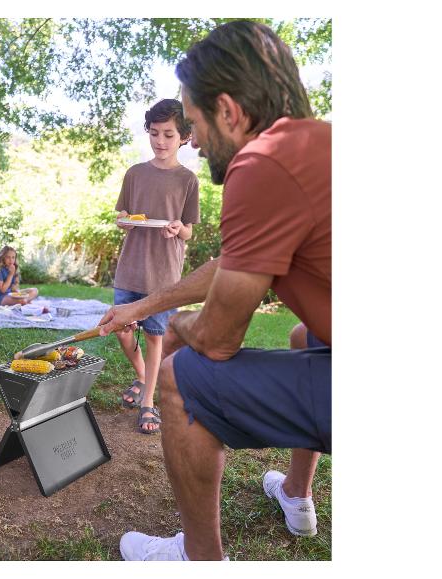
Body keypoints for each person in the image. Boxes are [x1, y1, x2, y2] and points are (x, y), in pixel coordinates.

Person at [98, 20, 331, 560]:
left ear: (228, 111)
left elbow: (220, 339)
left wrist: (180, 328)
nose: (195, 140)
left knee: (182, 378)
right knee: (304, 334)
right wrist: (147, 305)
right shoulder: (314, 146)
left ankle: (199, 558)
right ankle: (296, 496)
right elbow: (235, 263)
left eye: (196, 122)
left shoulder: (262, 163)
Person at [112, 98, 200, 434]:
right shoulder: (134, 174)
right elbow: (123, 214)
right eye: (154, 133)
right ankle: (143, 376)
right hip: (130, 268)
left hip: (164, 275)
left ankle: (148, 401)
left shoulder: (188, 181)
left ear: (183, 137)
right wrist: (124, 221)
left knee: (153, 336)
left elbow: (188, 230)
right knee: (121, 329)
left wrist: (179, 229)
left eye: (167, 134)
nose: (160, 141)